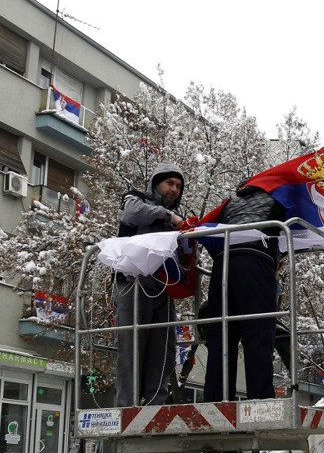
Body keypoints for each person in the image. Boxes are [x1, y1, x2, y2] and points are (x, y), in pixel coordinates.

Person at [202, 183, 286, 402]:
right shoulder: (277, 198)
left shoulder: (230, 203)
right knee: (258, 335)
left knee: (222, 336)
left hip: (223, 265)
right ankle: (260, 402)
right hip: (255, 263)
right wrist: (276, 259)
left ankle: (216, 401)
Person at [114, 162, 186, 406]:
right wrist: (167, 215)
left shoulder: (174, 219)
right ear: (156, 183)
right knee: (132, 347)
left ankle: (155, 404)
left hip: (164, 287)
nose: (174, 189)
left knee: (163, 350)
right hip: (134, 283)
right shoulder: (134, 199)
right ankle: (128, 406)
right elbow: (132, 214)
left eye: (178, 186)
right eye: (170, 183)